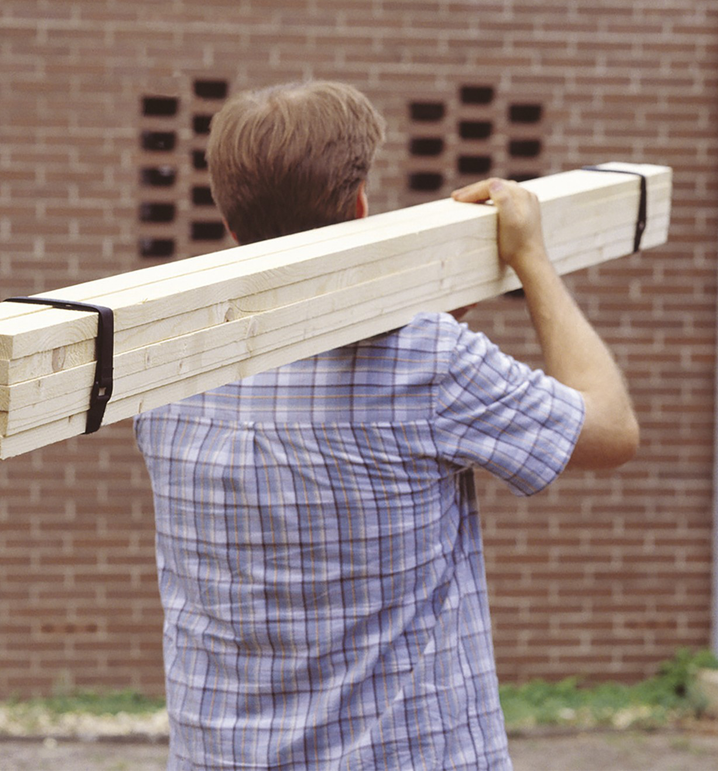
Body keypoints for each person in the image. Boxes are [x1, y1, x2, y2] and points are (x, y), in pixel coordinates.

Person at [133, 80, 639, 770]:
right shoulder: (427, 365)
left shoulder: (160, 361)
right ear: (360, 205)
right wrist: (532, 260)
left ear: (228, 220)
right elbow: (609, 430)